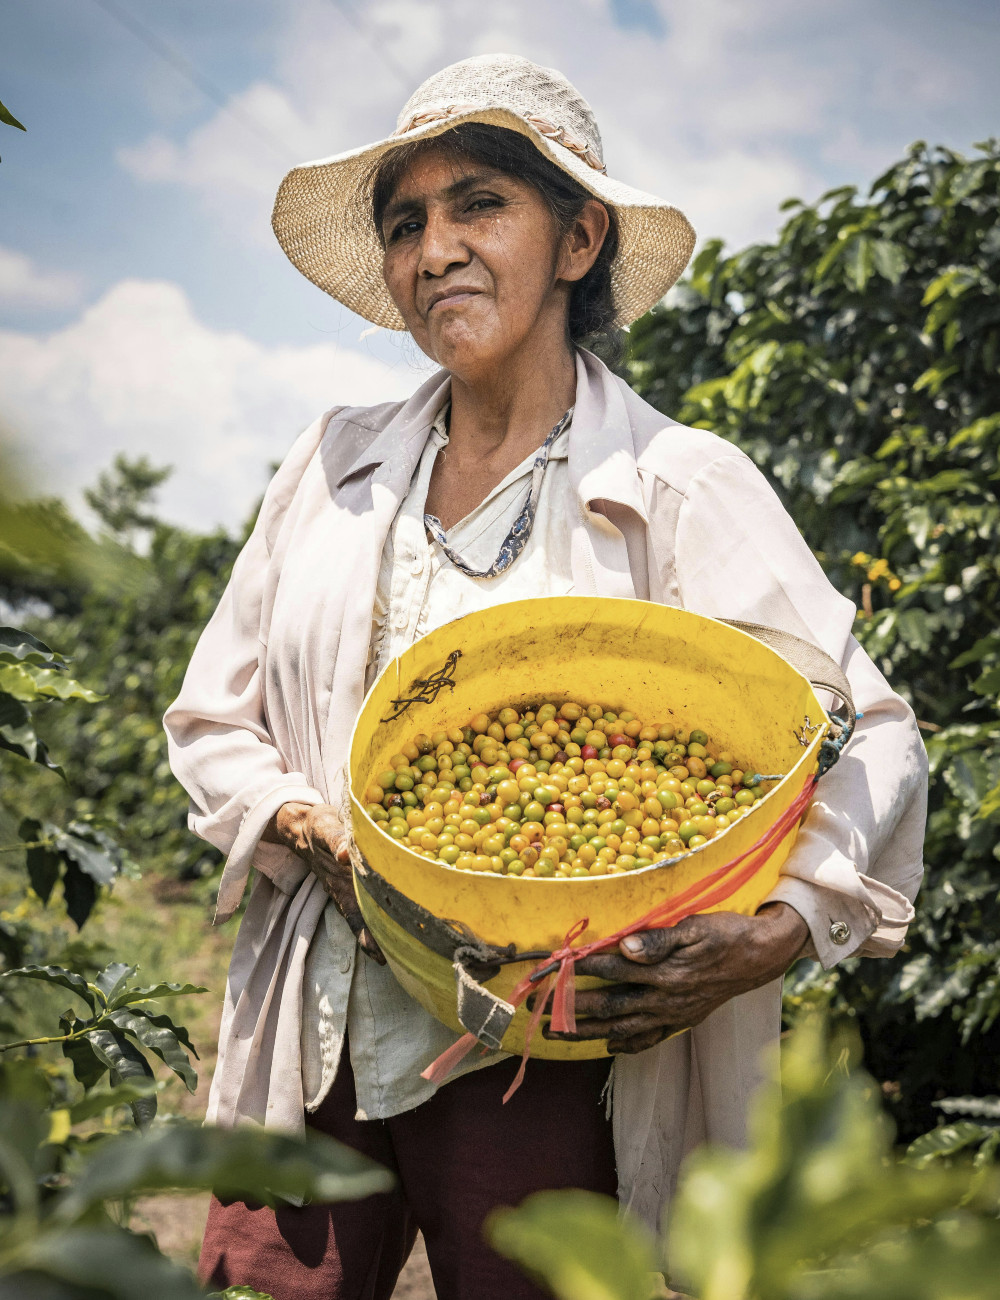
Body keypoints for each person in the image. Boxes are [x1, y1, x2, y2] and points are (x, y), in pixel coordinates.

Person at [164, 52, 928, 1300]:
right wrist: (317, 825)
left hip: (547, 1044)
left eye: (478, 206)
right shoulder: (334, 464)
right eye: (406, 223)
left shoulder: (679, 485)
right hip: (320, 1037)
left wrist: (779, 927)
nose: (434, 250)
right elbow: (213, 719)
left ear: (577, 239)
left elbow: (874, 729)